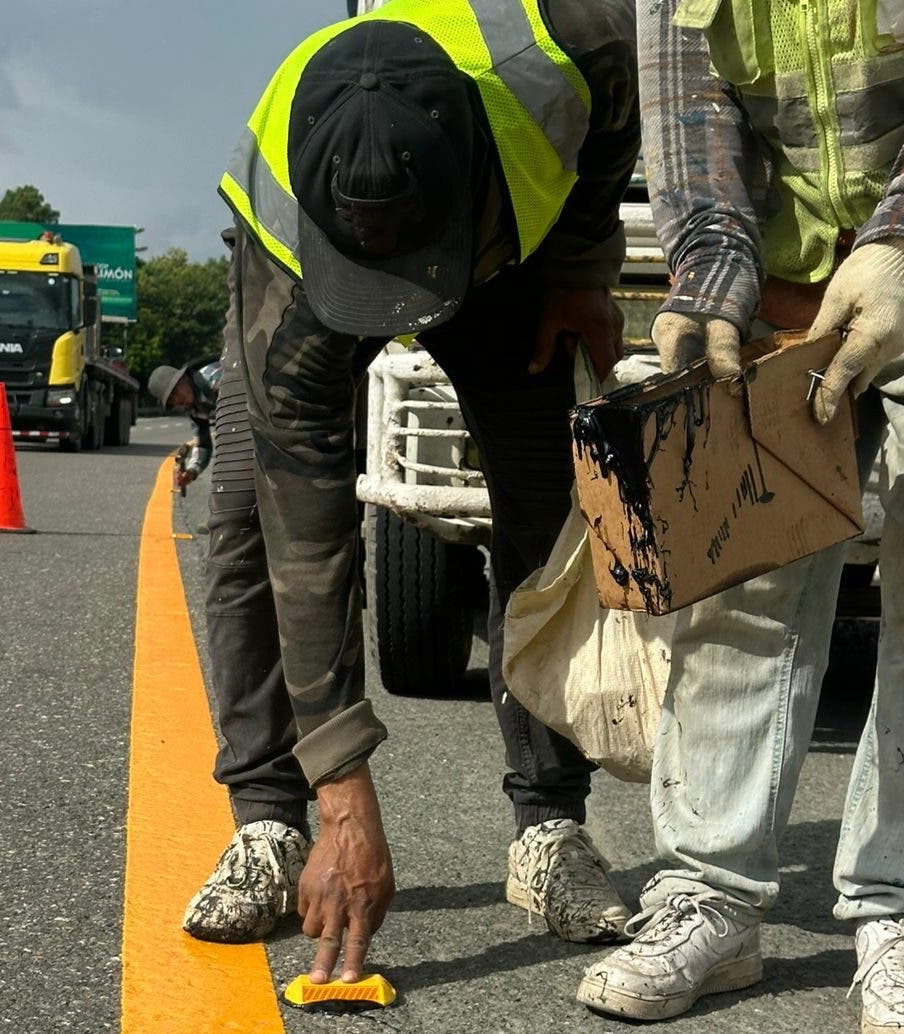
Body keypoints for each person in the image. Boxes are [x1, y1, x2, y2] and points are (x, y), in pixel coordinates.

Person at [200, 0, 641, 982]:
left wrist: (578, 265)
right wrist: (343, 795)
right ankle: (269, 824)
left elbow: (617, 116)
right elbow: (312, 544)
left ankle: (551, 828)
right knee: (243, 513)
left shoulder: (571, 47)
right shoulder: (284, 222)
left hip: (499, 260)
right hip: (309, 267)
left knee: (544, 513)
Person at [577, 0, 904, 1026]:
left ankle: (898, 904)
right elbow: (693, 123)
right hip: (792, 293)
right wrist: (711, 282)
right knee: (742, 571)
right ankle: (709, 898)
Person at [147, 357, 222, 491]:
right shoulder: (194, 409)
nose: (177, 400)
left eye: (175, 392)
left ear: (184, 378)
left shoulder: (214, 378)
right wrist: (191, 472)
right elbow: (203, 445)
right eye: (171, 401)